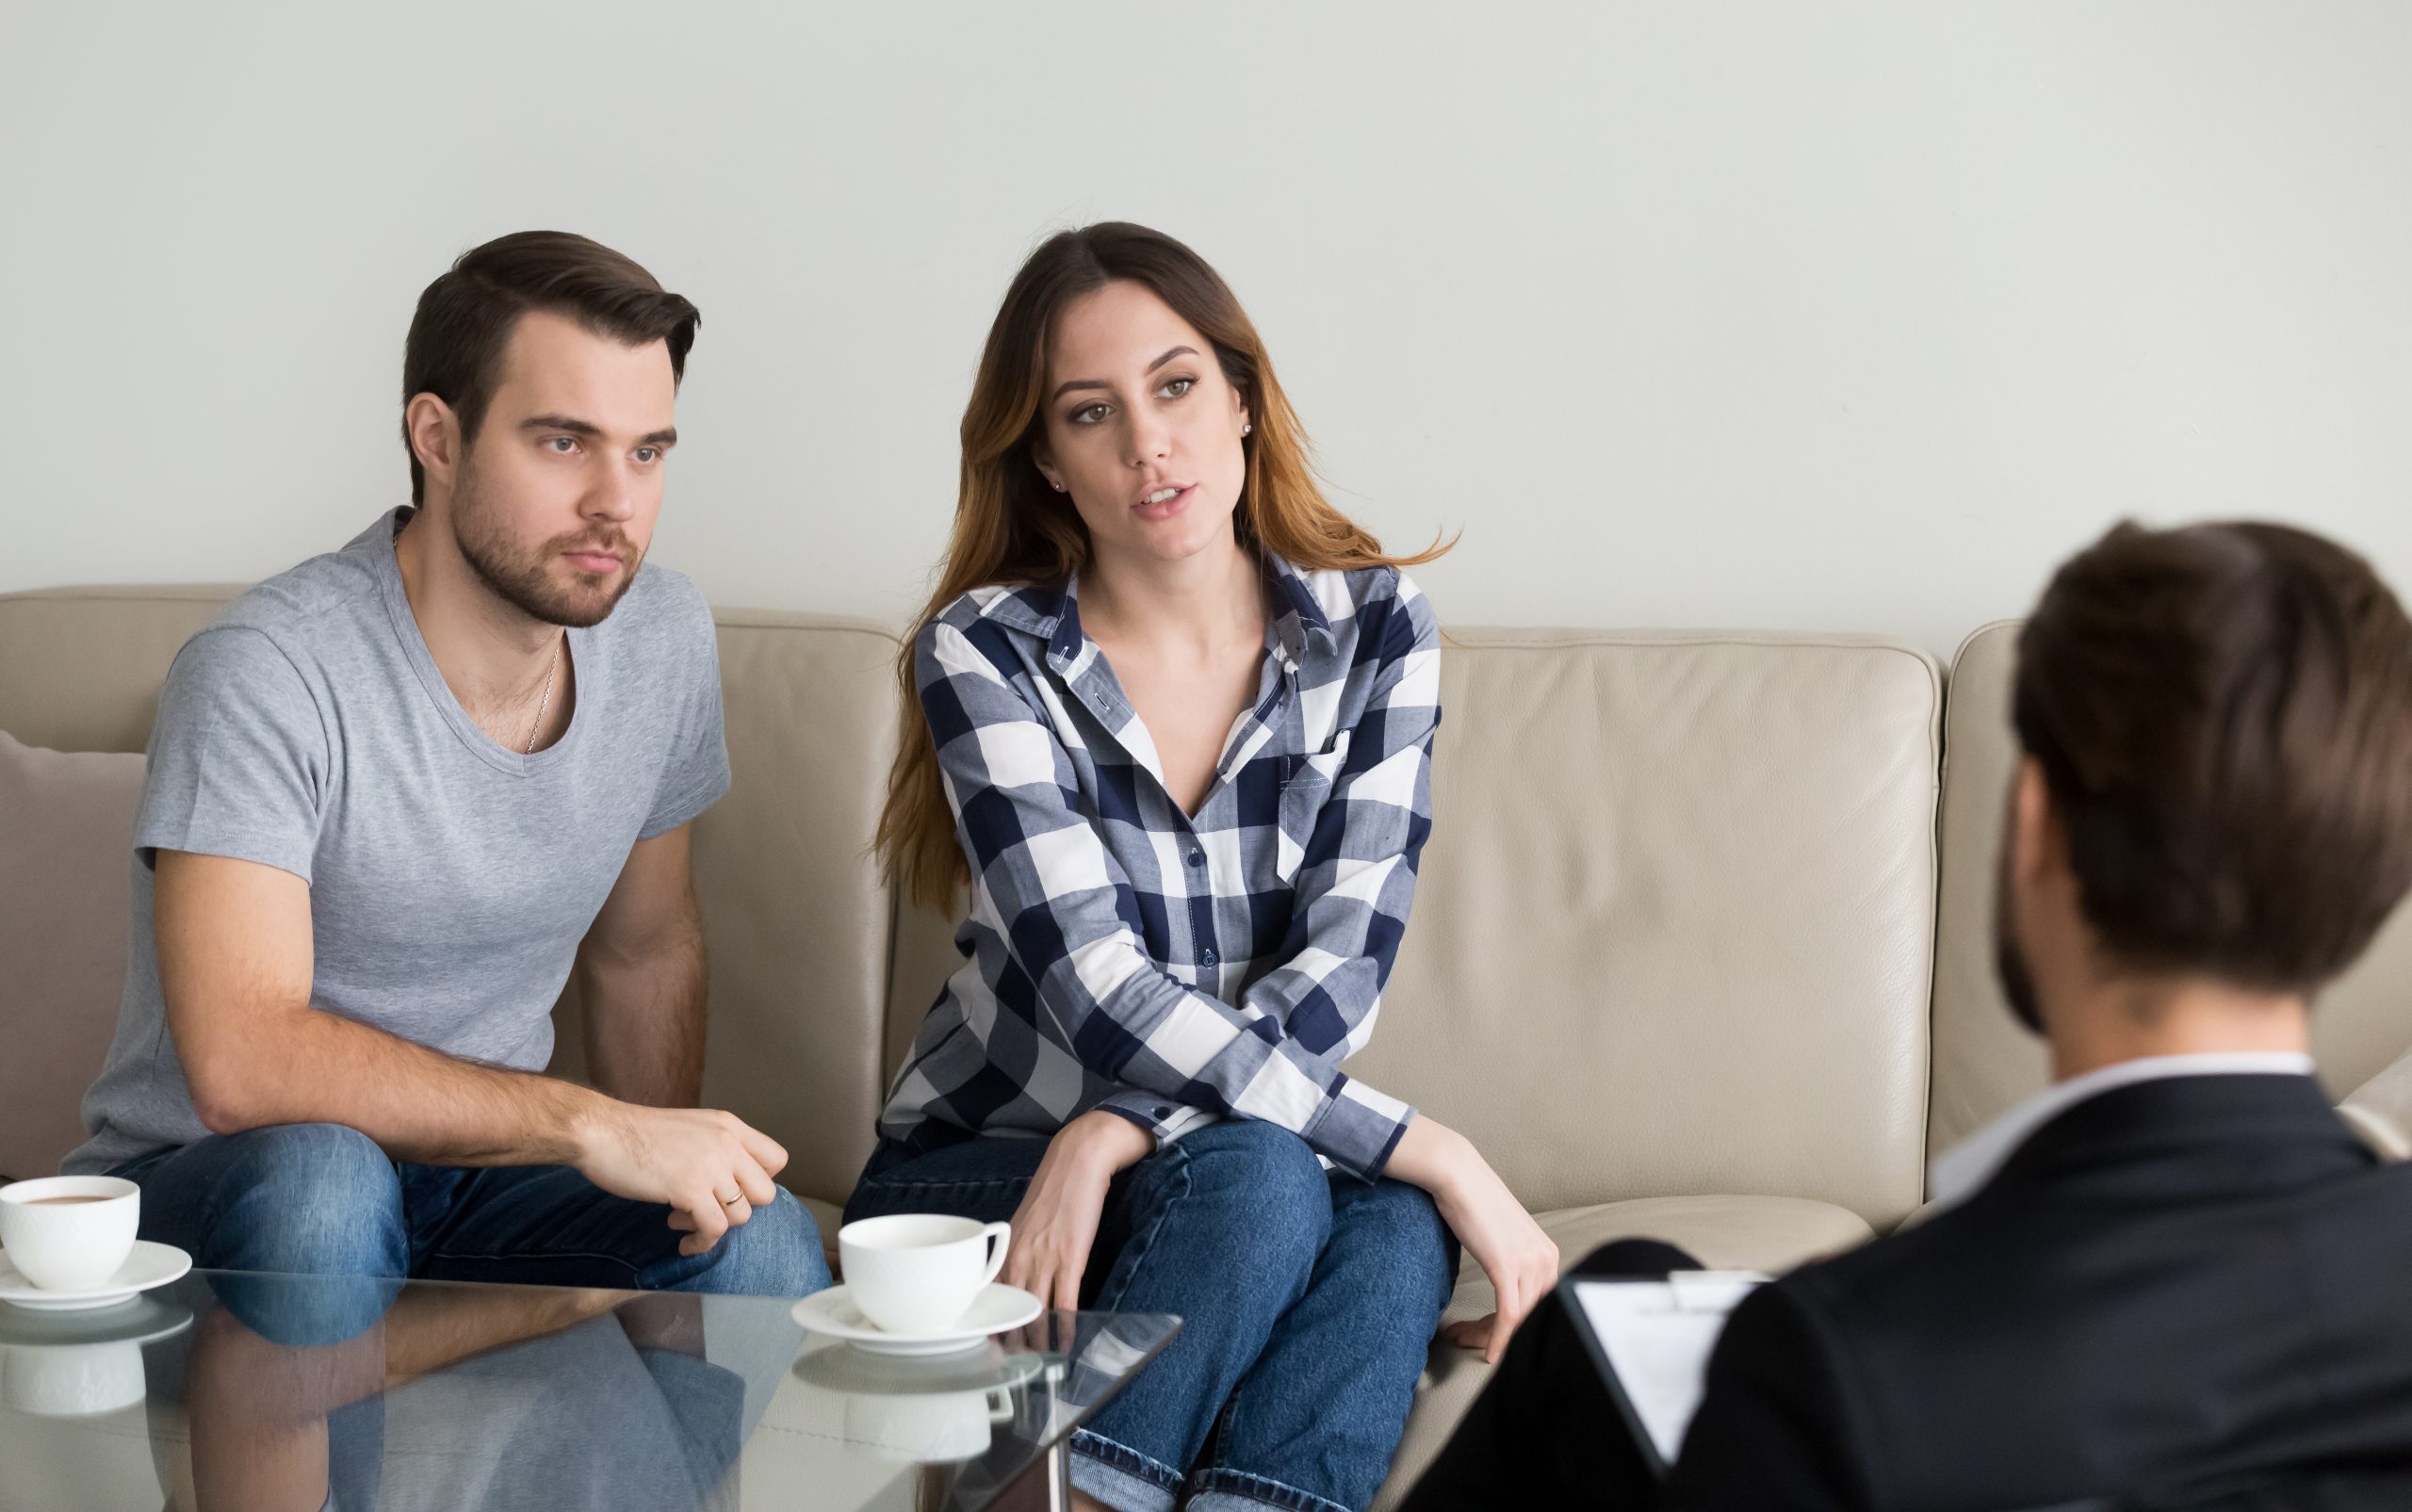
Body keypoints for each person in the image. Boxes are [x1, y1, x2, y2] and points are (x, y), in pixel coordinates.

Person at [1402, 518, 2412, 1510]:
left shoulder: (1835, 1373)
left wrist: (1852, 1320)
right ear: (2373, 871)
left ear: (2033, 833)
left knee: (1603, 1324)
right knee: (1622, 1304)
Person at [851, 222, 1558, 1512]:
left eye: (1176, 386)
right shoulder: (985, 653)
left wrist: (1119, 1127)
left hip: (1170, 1154)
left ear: (1239, 396)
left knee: (1393, 1225)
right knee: (1297, 1177)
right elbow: (1098, 991)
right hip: (993, 1162)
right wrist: (1440, 1146)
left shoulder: (1378, 626)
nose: (1147, 445)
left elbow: (1345, 967)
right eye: (1090, 412)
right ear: (1050, 462)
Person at [65, 232, 828, 1318]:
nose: (618, 501)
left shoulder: (659, 636)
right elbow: (244, 1060)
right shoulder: (268, 670)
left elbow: (646, 951)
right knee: (325, 1187)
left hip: (483, 1186)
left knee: (753, 1240)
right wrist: (590, 1125)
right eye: (565, 444)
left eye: (648, 452)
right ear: (438, 436)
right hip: (226, 1196)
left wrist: (663, 1169)